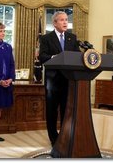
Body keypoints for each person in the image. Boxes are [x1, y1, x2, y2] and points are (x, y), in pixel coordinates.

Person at [39, 11, 80, 146]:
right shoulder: (46, 38)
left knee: (66, 110)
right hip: (52, 80)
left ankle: (64, 134)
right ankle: (53, 138)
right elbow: (42, 57)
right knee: (51, 111)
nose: (65, 22)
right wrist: (55, 57)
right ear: (54, 23)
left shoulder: (72, 38)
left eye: (66, 20)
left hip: (68, 80)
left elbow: (77, 56)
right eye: (61, 20)